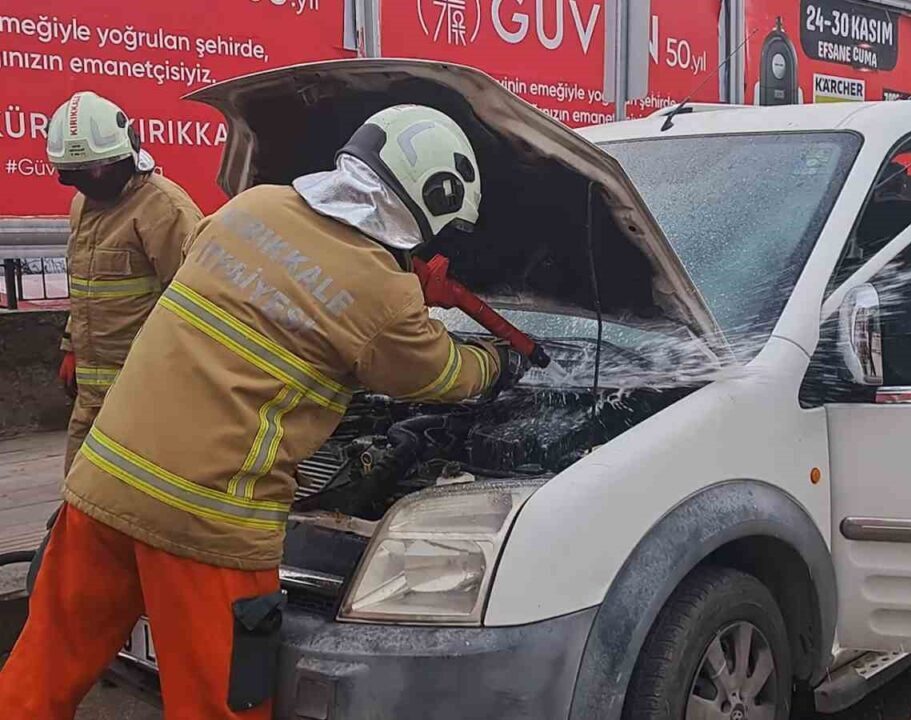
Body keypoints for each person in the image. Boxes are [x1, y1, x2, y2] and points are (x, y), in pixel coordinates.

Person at [0, 105, 528, 718]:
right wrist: (498, 361)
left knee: (40, 671)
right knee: (223, 704)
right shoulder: (381, 293)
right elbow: (440, 374)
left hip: (102, 483)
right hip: (206, 520)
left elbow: (279, 288)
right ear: (430, 202)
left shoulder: (253, 207)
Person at [46, 91, 203, 474]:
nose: (91, 182)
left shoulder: (164, 209)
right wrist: (71, 347)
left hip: (146, 394)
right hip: (93, 397)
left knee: (131, 504)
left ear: (127, 153)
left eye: (99, 170)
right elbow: (85, 287)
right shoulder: (83, 205)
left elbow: (198, 302)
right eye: (78, 175)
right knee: (78, 491)